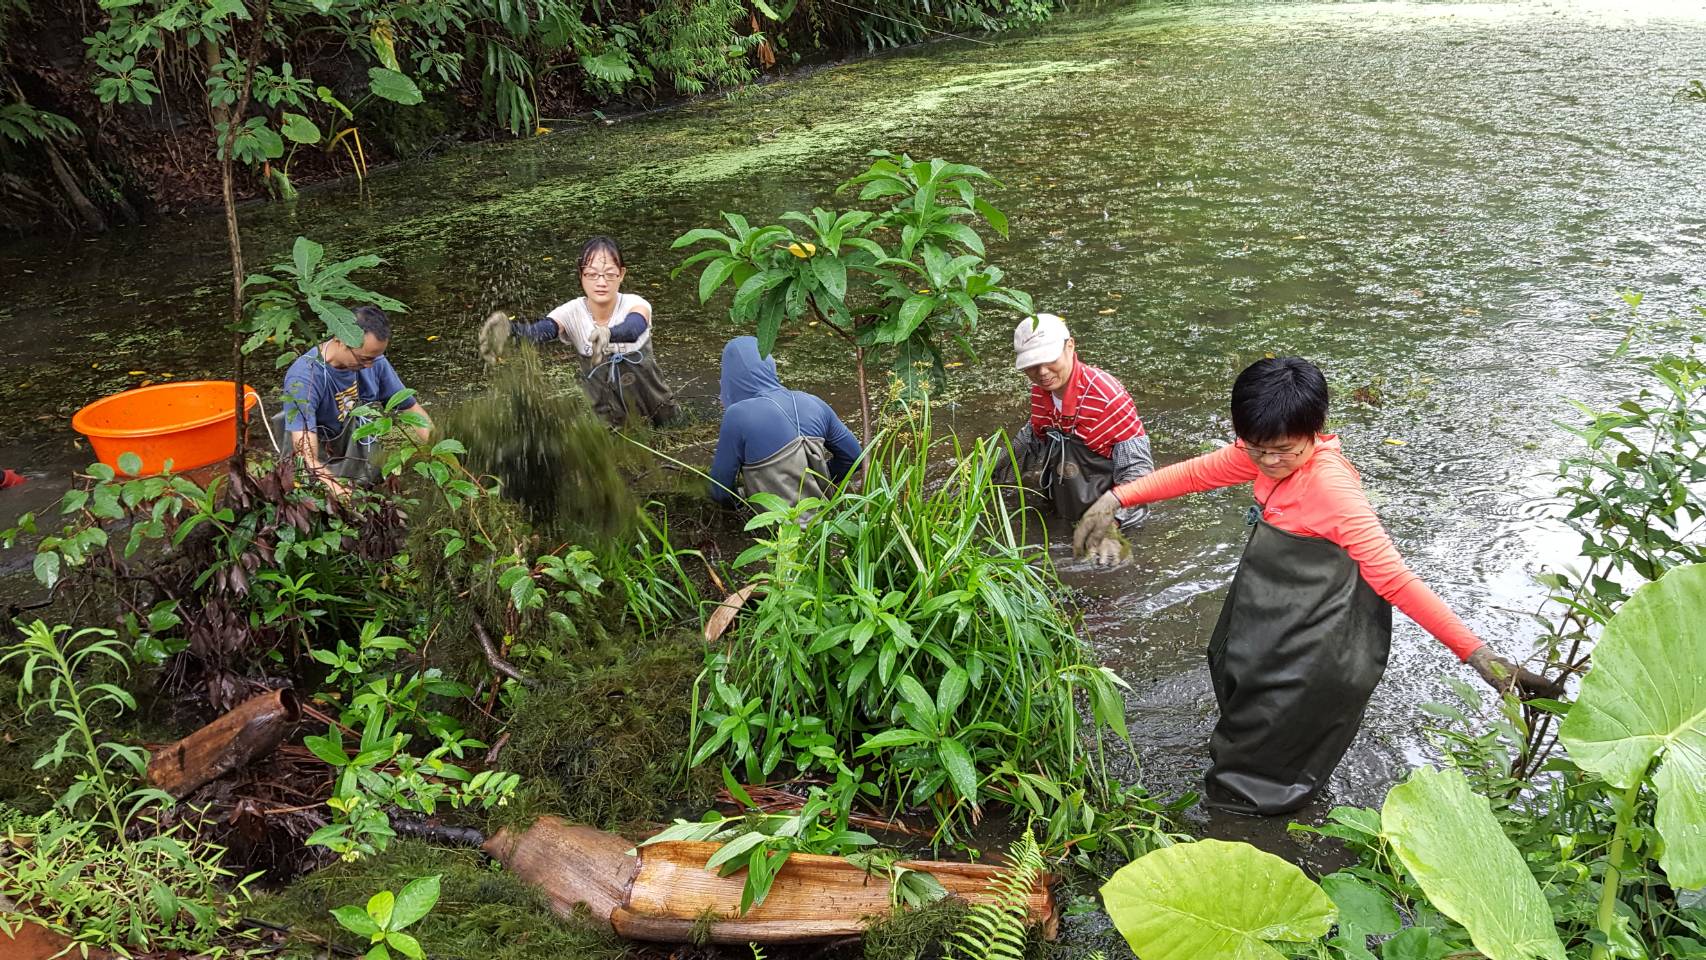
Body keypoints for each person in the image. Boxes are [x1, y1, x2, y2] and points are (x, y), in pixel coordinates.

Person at [1073, 357, 1563, 816]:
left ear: (1315, 432)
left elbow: (1395, 579)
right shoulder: (1264, 451)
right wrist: (1114, 498)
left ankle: (1251, 816)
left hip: (1326, 622)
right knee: (1236, 676)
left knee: (1276, 728)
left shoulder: (1331, 489)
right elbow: (1200, 472)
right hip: (1279, 599)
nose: (1267, 462)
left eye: (1282, 451)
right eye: (1255, 448)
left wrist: (1478, 656)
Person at [999, 314, 1154, 565]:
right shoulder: (1042, 391)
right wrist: (984, 476)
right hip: (1065, 501)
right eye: (1032, 364)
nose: (1042, 372)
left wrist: (1110, 523)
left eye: (1049, 359)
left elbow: (1139, 472)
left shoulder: (1108, 398)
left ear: (1070, 346)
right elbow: (1031, 440)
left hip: (1113, 517)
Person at [479, 236, 678, 428]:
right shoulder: (571, 312)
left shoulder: (635, 303)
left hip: (658, 409)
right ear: (581, 274)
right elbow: (541, 331)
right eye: (592, 274)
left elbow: (634, 327)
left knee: (673, 432)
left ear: (622, 274)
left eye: (609, 274)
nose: (601, 282)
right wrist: (511, 330)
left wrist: (608, 333)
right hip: (609, 419)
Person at [277, 305, 432, 498]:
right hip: (322, 459)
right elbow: (305, 458)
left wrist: (422, 455)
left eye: (374, 358)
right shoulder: (304, 378)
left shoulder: (375, 361)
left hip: (358, 444)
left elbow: (414, 413)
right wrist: (342, 495)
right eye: (364, 358)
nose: (369, 365)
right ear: (340, 340)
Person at [709, 336, 861, 507]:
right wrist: (814, 479)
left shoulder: (737, 415)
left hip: (775, 530)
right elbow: (855, 458)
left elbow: (720, 491)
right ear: (770, 365)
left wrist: (744, 501)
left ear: (730, 376)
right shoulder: (814, 403)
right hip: (824, 523)